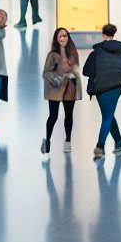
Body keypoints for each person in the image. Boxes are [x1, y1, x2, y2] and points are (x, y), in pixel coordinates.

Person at [83, 22, 121, 157]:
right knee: (108, 115)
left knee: (107, 117)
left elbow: (86, 71)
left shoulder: (97, 52)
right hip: (117, 86)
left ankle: (100, 146)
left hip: (100, 88)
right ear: (113, 34)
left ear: (103, 34)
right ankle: (118, 143)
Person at [42, 27, 81, 155]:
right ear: (56, 38)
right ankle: (47, 140)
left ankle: (68, 140)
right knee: (53, 116)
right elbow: (46, 72)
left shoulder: (73, 53)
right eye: (60, 36)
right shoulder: (52, 55)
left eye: (65, 35)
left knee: (69, 115)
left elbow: (76, 69)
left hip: (69, 88)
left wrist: (73, 76)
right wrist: (57, 79)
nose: (63, 38)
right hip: (55, 89)